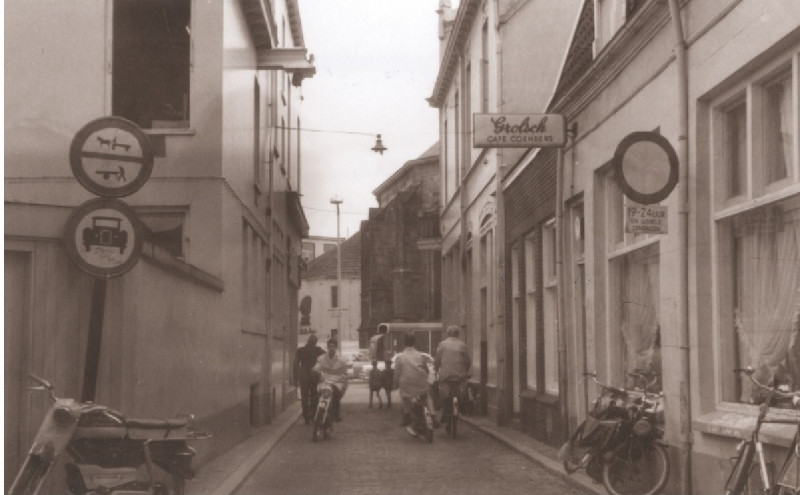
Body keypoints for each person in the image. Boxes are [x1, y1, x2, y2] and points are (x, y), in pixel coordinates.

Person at [393, 333, 436, 435]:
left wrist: (394, 384)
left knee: (404, 396)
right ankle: (433, 416)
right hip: (421, 385)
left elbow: (397, 374)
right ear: (414, 342)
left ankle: (407, 415)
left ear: (404, 343)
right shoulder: (421, 356)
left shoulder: (400, 358)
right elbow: (426, 369)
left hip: (407, 385)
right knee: (427, 397)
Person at [435, 325, 472, 425]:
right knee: (461, 392)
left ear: (448, 334)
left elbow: (437, 360)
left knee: (444, 393)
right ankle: (461, 407)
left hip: (446, 375)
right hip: (460, 375)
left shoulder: (442, 344)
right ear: (458, 334)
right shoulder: (462, 345)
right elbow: (467, 361)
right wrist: (466, 371)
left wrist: (436, 370)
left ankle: (444, 412)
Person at [313, 338, 348, 422]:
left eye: (333, 346)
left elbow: (345, 372)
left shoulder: (342, 359)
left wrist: (343, 378)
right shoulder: (321, 358)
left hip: (337, 382)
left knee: (335, 394)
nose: (331, 348)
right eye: (329, 346)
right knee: (318, 394)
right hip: (325, 381)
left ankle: (336, 414)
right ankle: (317, 412)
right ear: (327, 347)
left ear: (336, 347)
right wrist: (315, 370)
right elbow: (317, 367)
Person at [293, 334, 325, 424]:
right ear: (315, 342)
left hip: (304, 376)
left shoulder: (300, 350)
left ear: (308, 341)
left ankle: (306, 417)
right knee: (314, 396)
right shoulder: (318, 350)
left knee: (304, 397)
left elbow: (295, 365)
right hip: (314, 376)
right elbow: (327, 358)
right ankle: (313, 415)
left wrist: (295, 379)